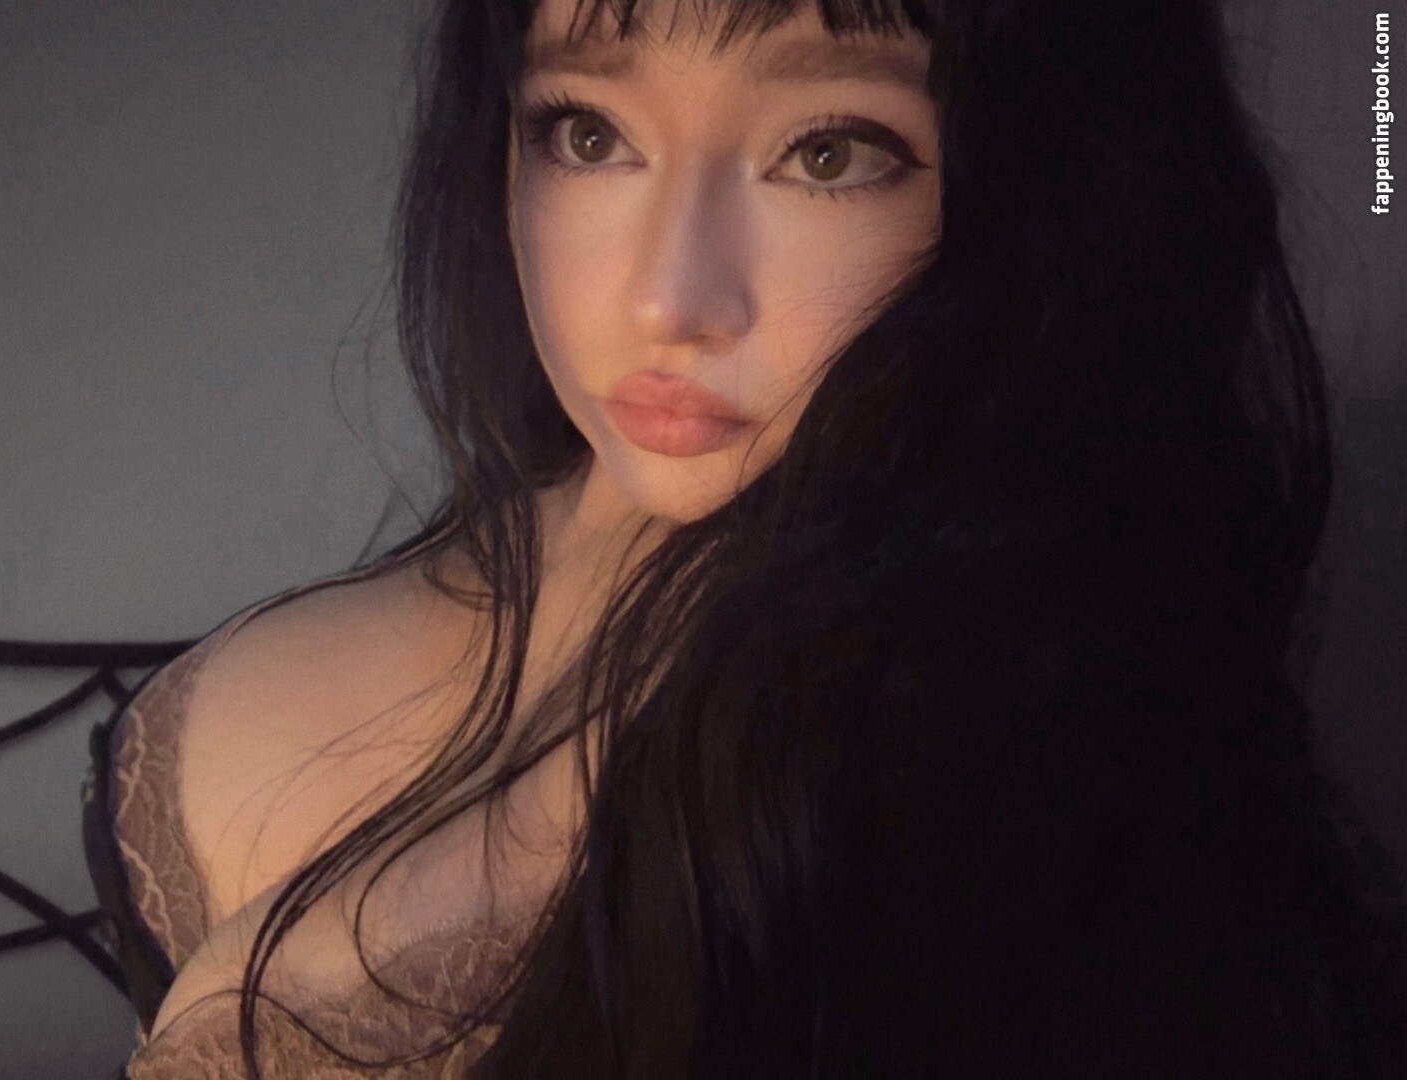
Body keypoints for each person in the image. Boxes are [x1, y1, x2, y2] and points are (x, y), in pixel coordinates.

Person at [81, 0, 1407, 1075]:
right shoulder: (292, 665)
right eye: (587, 132)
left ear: (1046, 193)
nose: (669, 297)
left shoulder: (1035, 763)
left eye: (829, 152)